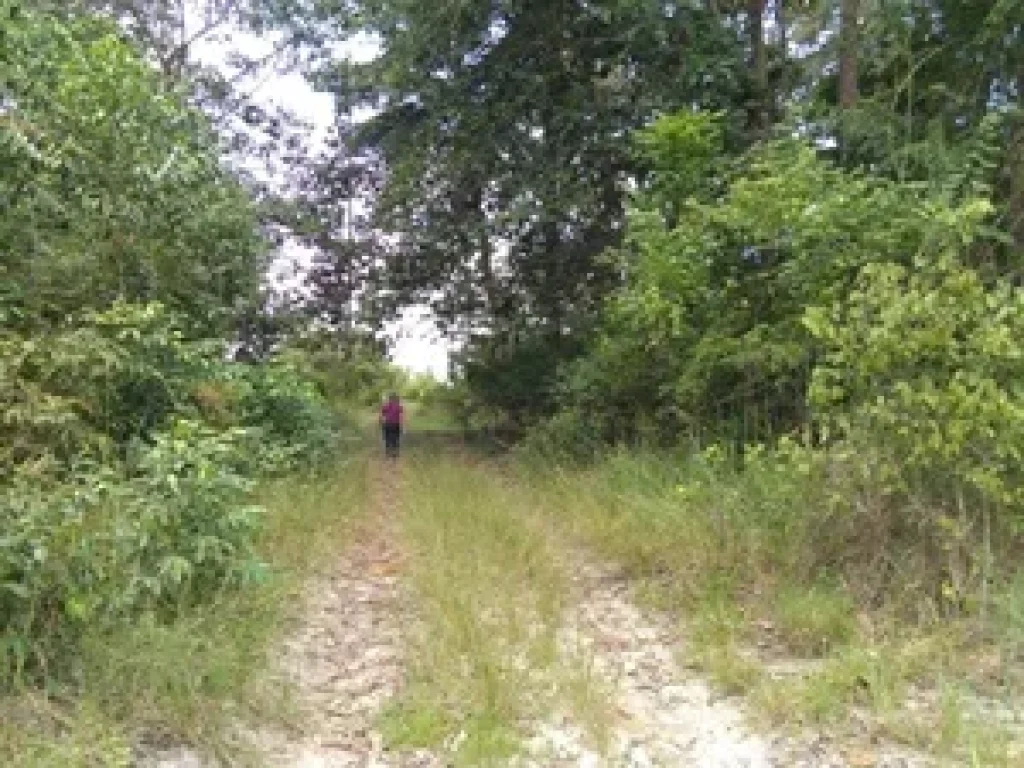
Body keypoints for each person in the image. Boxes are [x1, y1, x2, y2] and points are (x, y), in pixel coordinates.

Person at [380, 393, 404, 458]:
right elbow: (401, 417)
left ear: (389, 399)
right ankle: (395, 453)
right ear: (396, 399)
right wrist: (401, 425)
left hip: (387, 424)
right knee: (396, 438)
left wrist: (382, 424)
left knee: (387, 438)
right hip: (396, 424)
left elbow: (382, 416)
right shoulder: (399, 406)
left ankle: (387, 453)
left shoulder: (385, 406)